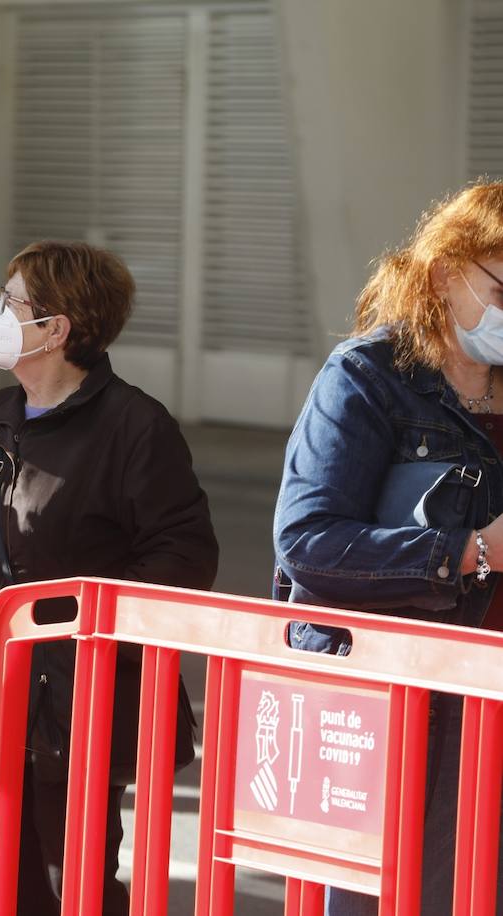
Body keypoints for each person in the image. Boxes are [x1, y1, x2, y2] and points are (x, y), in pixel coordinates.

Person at [0, 240, 218, 915]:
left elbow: (182, 556)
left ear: (56, 328)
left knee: (77, 886)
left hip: (83, 703)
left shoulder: (135, 426)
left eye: (10, 302)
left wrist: (80, 633)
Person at [274, 182, 503, 915]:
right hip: (399, 709)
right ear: (446, 273)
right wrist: (471, 550)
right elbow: (307, 542)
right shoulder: (368, 376)